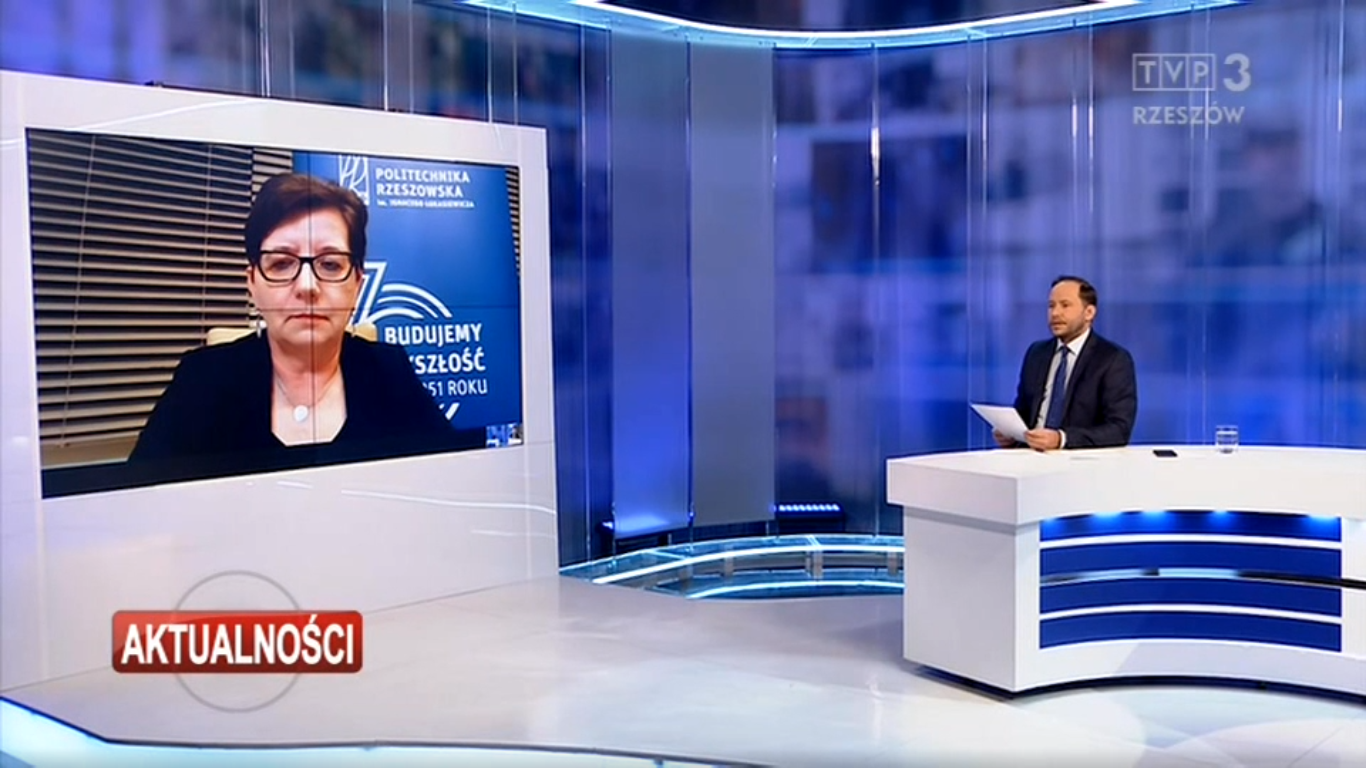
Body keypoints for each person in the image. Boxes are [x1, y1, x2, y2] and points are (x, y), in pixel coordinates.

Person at [127, 173, 483, 480]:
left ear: (357, 285)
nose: (308, 286)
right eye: (282, 263)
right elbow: (143, 505)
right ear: (252, 283)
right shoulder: (201, 378)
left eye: (330, 264)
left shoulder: (389, 369)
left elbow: (448, 479)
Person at [994, 276, 1137, 451]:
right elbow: (1023, 412)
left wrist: (1061, 439)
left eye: (1065, 305)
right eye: (1051, 306)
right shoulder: (1036, 353)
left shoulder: (1112, 359)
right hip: (1029, 455)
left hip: (1077, 460)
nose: (1055, 313)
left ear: (1089, 313)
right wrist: (1010, 434)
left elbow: (1118, 429)